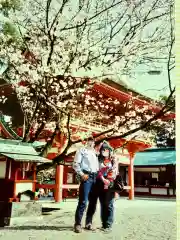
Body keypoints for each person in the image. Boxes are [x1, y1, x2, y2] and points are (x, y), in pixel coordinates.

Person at [86, 141, 118, 232]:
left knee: (108, 204)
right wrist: (103, 179)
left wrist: (109, 178)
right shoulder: (96, 159)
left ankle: (107, 225)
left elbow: (115, 170)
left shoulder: (113, 159)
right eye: (103, 149)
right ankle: (89, 222)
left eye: (107, 149)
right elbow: (95, 170)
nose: (105, 151)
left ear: (110, 150)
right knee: (92, 204)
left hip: (109, 183)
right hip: (96, 183)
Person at [73, 137, 99, 233]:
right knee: (83, 201)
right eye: (89, 140)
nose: (91, 142)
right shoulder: (81, 150)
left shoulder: (95, 153)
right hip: (87, 176)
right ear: (86, 141)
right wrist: (81, 174)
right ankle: (78, 224)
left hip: (95, 177)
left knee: (93, 202)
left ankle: (89, 222)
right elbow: (76, 164)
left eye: (93, 140)